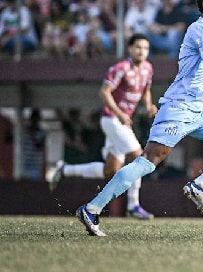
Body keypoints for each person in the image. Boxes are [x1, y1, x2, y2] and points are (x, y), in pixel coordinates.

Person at [76, 0, 203, 237]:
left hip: (197, 112)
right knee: (148, 162)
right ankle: (92, 209)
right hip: (178, 108)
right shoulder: (200, 29)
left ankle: (200, 185)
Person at [46, 34, 158, 219]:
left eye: (145, 48)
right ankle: (133, 205)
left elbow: (146, 90)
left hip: (123, 122)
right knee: (140, 158)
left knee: (111, 170)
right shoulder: (120, 68)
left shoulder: (148, 68)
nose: (142, 51)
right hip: (112, 119)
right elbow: (104, 92)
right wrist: (120, 113)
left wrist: (148, 107)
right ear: (129, 49)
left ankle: (63, 169)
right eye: (138, 47)